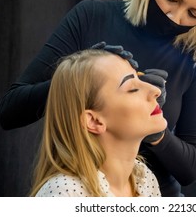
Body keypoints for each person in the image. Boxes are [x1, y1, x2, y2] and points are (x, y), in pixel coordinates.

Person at [0, 0, 196, 196]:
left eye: (195, 14)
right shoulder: (91, 17)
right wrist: (82, 75)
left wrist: (153, 126)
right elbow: (10, 111)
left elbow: (190, 169)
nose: (175, 16)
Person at [29, 48, 167, 197]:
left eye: (140, 78)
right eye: (132, 89)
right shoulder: (64, 193)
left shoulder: (144, 179)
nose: (156, 90)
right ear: (93, 121)